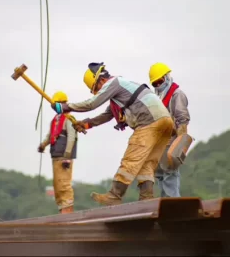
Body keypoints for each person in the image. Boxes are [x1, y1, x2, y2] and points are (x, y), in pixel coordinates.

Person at [51, 62, 174, 206]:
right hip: (165, 122)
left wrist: (65, 107)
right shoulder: (122, 88)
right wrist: (86, 124)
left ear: (101, 80)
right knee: (147, 163)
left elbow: (92, 103)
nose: (97, 92)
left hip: (149, 120)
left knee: (130, 160)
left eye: (96, 88)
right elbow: (107, 115)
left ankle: (115, 195)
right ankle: (146, 198)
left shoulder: (114, 83)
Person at [149, 62, 191, 197]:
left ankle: (174, 205)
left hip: (172, 142)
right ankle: (165, 204)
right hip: (160, 144)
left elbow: (182, 119)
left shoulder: (176, 94)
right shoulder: (158, 97)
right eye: (154, 83)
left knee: (170, 175)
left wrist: (180, 145)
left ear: (166, 77)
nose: (158, 85)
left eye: (159, 81)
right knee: (160, 175)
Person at [38, 92, 78, 214]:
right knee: (58, 186)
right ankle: (62, 211)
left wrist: (67, 155)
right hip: (55, 156)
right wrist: (43, 145)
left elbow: (72, 137)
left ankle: (68, 212)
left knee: (64, 185)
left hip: (64, 158)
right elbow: (51, 135)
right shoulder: (56, 119)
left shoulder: (69, 119)